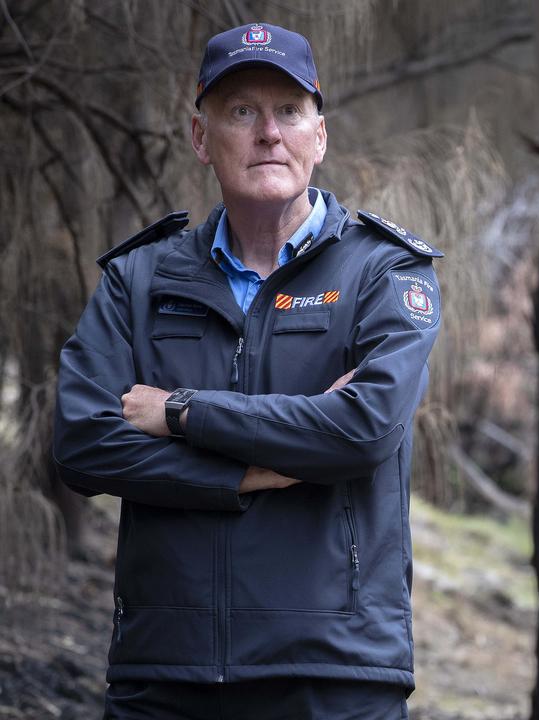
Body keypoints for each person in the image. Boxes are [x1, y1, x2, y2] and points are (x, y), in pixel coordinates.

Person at [51, 21, 443, 720]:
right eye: (241, 111)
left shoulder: (382, 272)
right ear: (202, 139)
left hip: (335, 672)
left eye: (289, 111)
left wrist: (180, 414)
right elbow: (82, 443)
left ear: (319, 136)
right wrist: (243, 474)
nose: (269, 133)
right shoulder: (140, 278)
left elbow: (363, 429)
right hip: (164, 674)